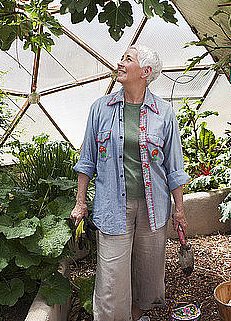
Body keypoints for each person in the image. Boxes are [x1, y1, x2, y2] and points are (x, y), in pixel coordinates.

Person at [71, 45, 190, 321]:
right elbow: (87, 159)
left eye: (128, 59)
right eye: (122, 58)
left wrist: (179, 210)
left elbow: (174, 168)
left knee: (147, 273)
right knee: (112, 277)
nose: (120, 63)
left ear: (145, 72)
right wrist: (80, 203)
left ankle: (137, 315)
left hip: (153, 207)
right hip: (113, 205)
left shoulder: (163, 112)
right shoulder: (101, 108)